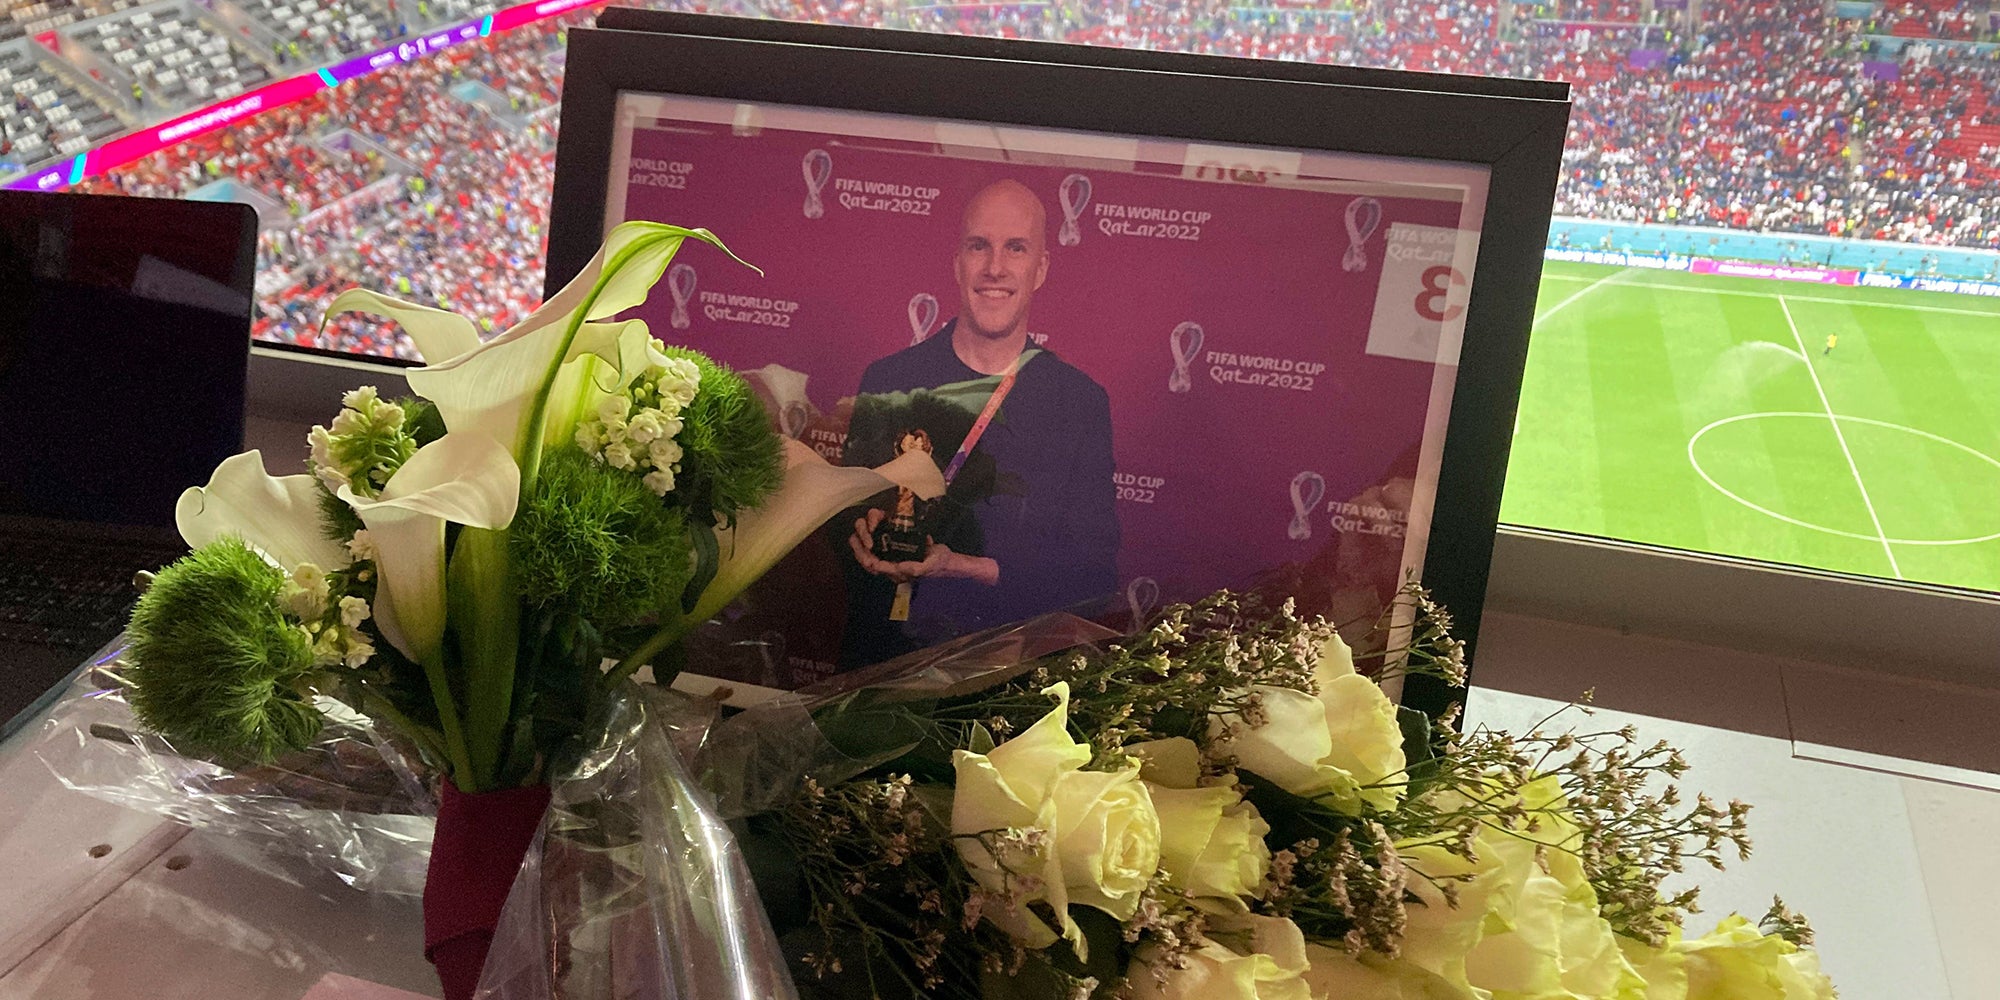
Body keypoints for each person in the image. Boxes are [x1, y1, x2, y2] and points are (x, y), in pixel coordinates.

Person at [839, 179, 1119, 666]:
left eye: (1016, 248)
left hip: (1001, 679)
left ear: (1040, 269)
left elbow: (1095, 578)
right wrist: (858, 535)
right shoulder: (888, 380)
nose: (994, 267)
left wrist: (964, 567)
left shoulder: (1079, 403)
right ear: (957, 262)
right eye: (979, 246)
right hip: (875, 666)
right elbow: (838, 526)